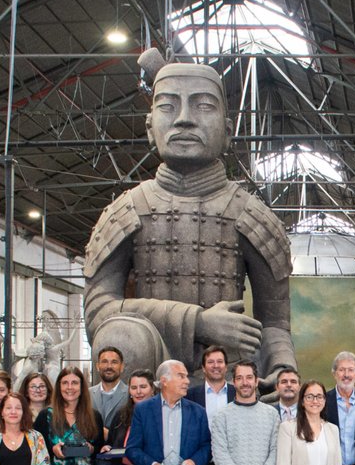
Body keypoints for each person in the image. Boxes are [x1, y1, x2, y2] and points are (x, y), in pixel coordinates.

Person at [82, 56, 296, 378]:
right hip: (149, 377)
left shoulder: (251, 215)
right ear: (150, 128)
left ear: (227, 131)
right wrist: (198, 322)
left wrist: (281, 370)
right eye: (168, 106)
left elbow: (275, 325)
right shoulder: (127, 210)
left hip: (229, 377)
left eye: (203, 106)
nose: (184, 119)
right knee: (120, 336)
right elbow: (98, 312)